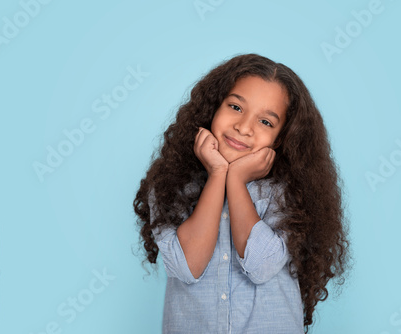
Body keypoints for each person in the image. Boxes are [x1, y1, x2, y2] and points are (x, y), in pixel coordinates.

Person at [133, 53, 351, 333]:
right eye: (236, 107)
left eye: (266, 122)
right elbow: (187, 266)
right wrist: (217, 174)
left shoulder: (288, 192)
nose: (244, 127)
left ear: (281, 137)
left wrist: (235, 180)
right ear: (214, 106)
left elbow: (260, 266)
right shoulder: (171, 183)